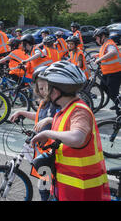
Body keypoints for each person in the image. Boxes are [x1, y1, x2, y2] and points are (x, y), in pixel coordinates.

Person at [30, 61, 111, 201]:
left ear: (55, 91)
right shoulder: (65, 110)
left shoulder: (79, 111)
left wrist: (47, 133)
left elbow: (77, 138)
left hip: (82, 189)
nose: (46, 94)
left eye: (48, 89)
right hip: (67, 185)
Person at [9, 66, 60, 201]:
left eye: (45, 88)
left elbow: (62, 120)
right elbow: (38, 116)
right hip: (43, 151)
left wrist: (49, 120)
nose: (42, 92)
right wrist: (21, 112)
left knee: (45, 187)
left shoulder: (57, 104)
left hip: (52, 153)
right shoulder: (44, 103)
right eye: (40, 88)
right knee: (45, 185)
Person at [93, 27, 121, 111]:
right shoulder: (105, 45)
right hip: (107, 72)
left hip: (114, 72)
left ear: (103, 36)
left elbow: (113, 52)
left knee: (113, 92)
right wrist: (97, 55)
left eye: (97, 37)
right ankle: (118, 102)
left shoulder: (109, 44)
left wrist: (99, 59)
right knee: (103, 86)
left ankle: (119, 113)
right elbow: (105, 53)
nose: (96, 40)